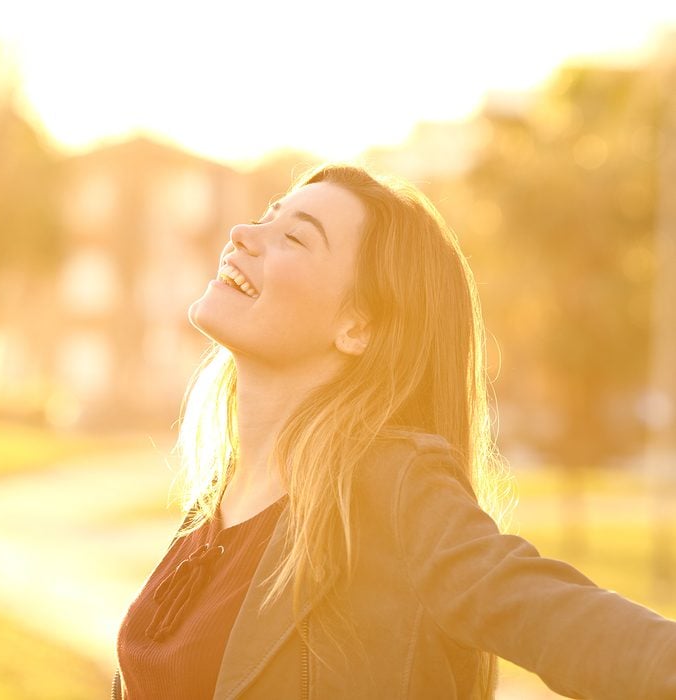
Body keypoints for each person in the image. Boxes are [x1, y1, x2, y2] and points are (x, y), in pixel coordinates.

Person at [113, 164, 676, 699]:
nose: (243, 233)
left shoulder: (390, 483)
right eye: (267, 216)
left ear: (357, 326)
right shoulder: (218, 499)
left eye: (297, 238)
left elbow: (539, 606)